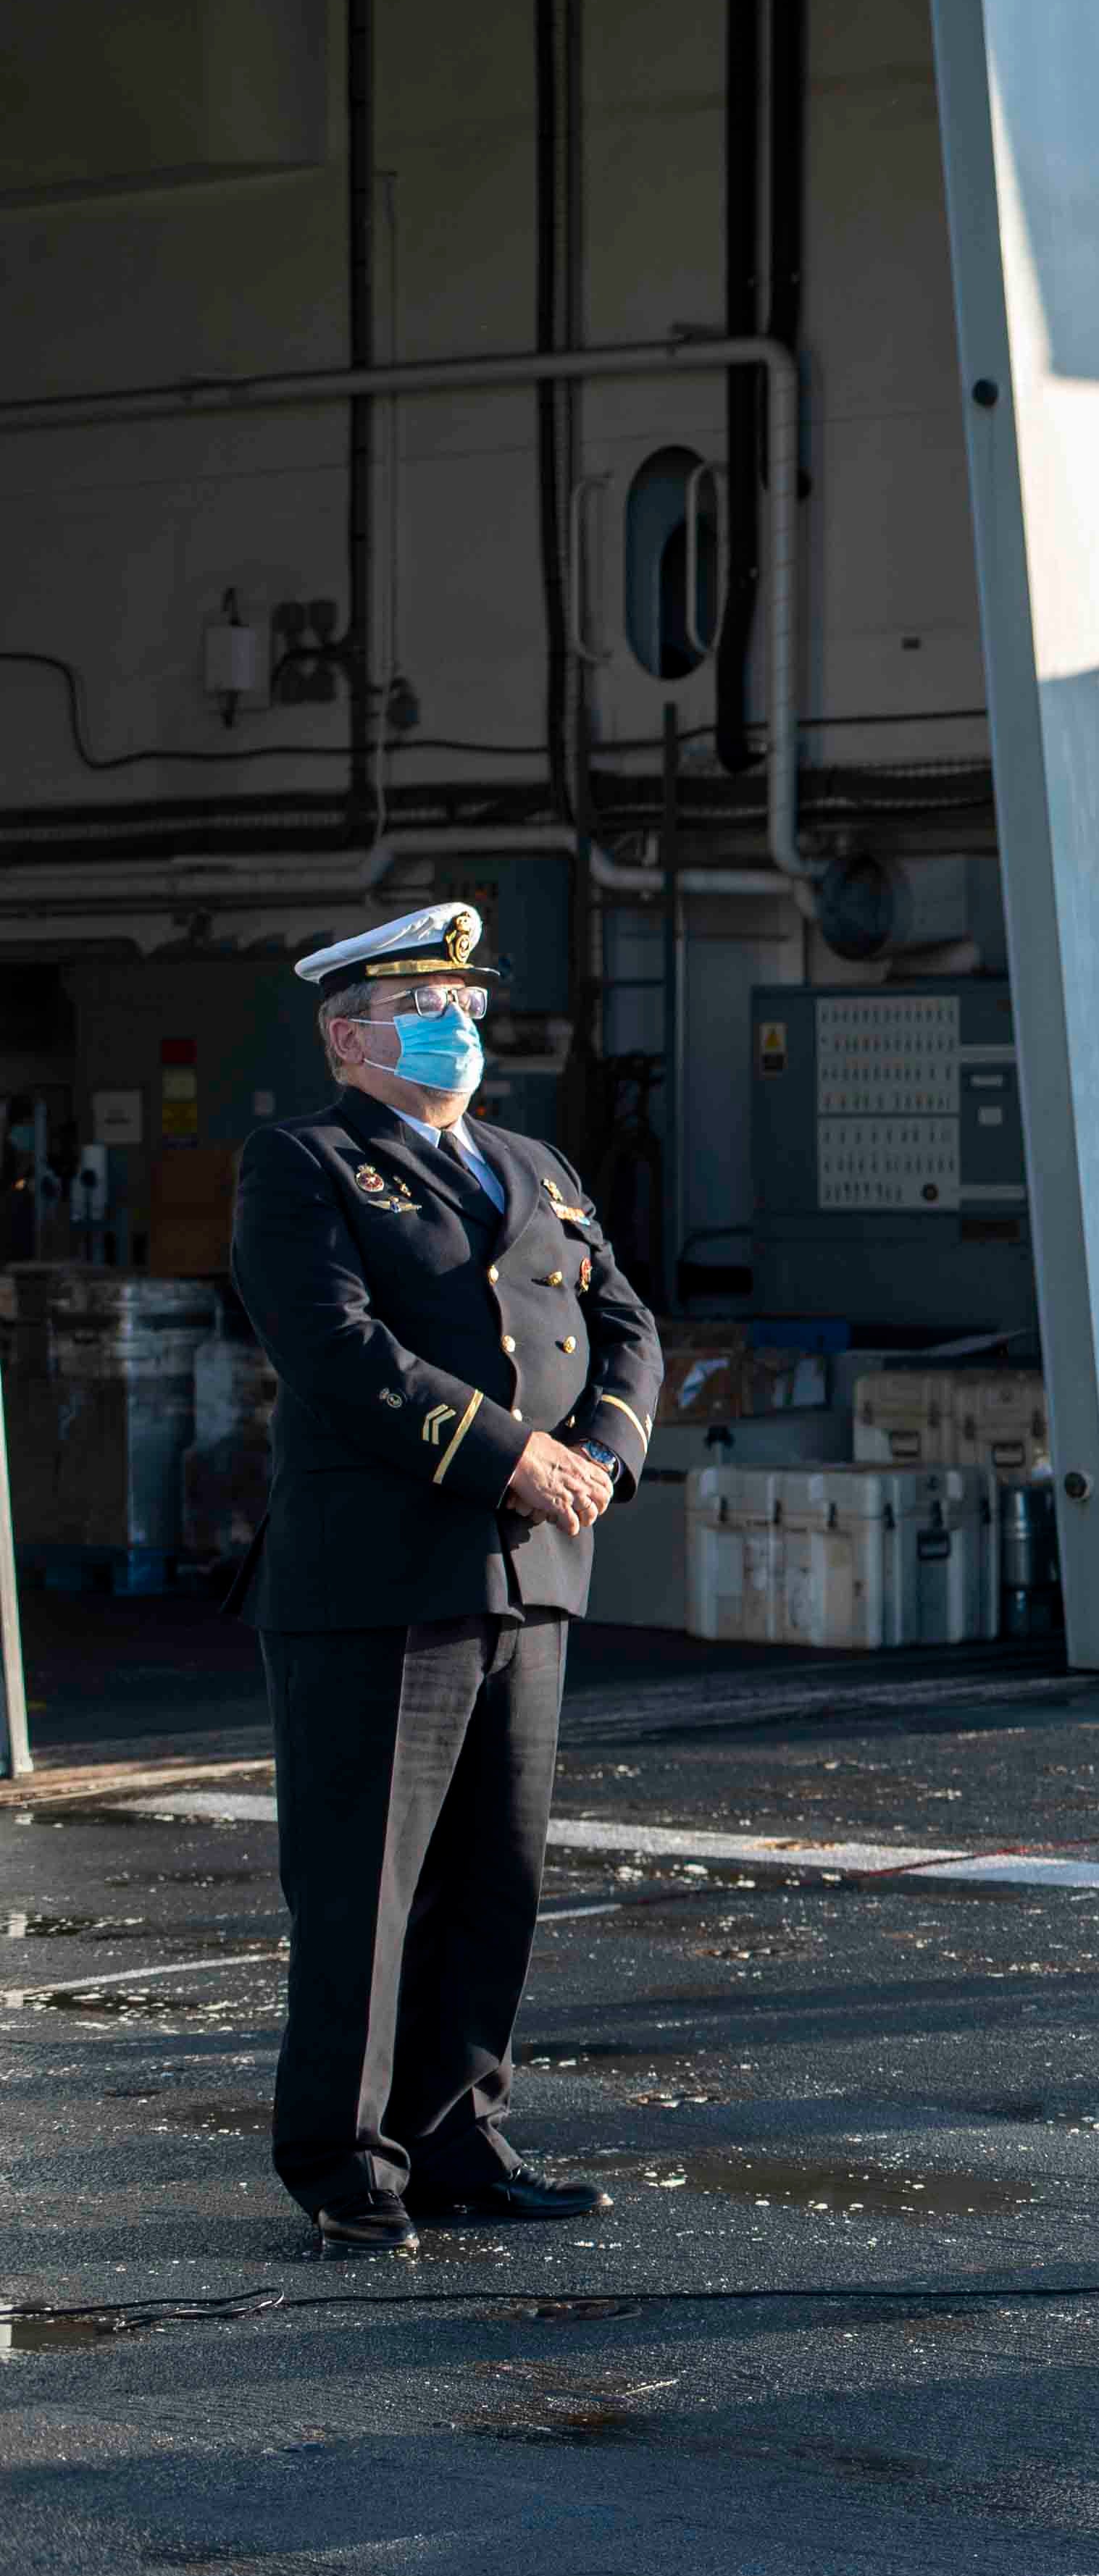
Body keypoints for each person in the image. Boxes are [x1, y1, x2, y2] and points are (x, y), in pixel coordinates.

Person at [227, 901, 660, 2254]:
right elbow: (337, 1352)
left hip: (533, 1569)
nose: (458, 1025)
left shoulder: (534, 1161)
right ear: (351, 1036)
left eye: (467, 1005)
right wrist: (508, 1458)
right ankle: (345, 2162)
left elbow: (624, 1322)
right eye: (426, 1003)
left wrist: (597, 1455)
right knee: (366, 1885)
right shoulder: (303, 1162)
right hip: (380, 1576)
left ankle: (459, 2134)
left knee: (495, 1875)